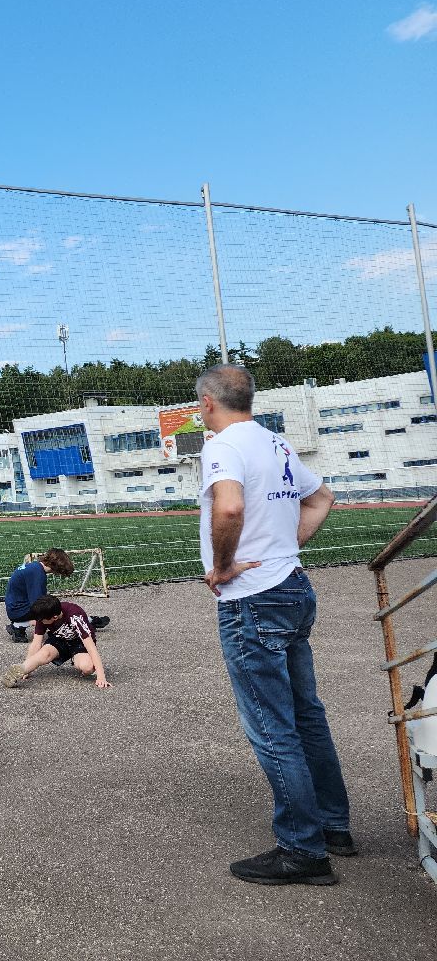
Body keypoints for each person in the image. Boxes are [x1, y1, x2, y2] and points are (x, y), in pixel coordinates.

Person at [196, 363, 352, 886]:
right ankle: (333, 825)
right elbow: (322, 497)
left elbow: (230, 507)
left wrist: (221, 566)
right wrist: (288, 547)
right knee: (307, 714)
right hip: (293, 589)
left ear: (208, 403)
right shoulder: (278, 444)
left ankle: (303, 850)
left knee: (272, 726)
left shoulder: (221, 446)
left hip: (252, 599)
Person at [1, 595, 110, 689]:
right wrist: (27, 669)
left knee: (87, 668)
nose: (38, 622)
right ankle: (20, 670)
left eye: (42, 621)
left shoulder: (75, 617)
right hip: (59, 638)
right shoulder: (43, 614)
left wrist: (101, 677)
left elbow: (91, 647)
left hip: (79, 642)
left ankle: (76, 657)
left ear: (55, 617)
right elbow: (36, 643)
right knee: (44, 654)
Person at [3, 549, 75, 642]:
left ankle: (19, 625)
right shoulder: (37, 574)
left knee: (53, 607)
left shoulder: (35, 567)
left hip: (15, 607)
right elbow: (39, 604)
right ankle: (19, 626)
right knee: (51, 611)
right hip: (18, 611)